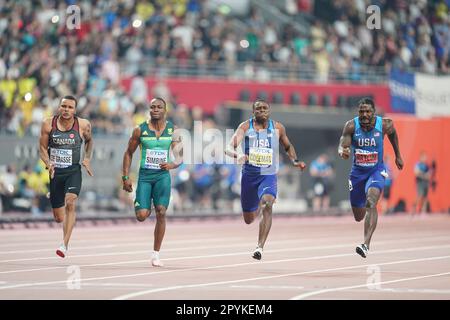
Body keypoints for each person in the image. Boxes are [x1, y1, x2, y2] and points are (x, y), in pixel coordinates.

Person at [226, 99, 306, 260]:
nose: (261, 111)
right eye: (258, 109)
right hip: (249, 176)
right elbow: (228, 147)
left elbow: (288, 146)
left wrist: (295, 161)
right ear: (253, 112)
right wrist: (239, 154)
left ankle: (259, 247)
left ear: (269, 111)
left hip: (268, 175)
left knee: (268, 204)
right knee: (249, 219)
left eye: (265, 108)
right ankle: (256, 205)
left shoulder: (277, 128)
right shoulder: (245, 126)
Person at [338, 98, 403, 258]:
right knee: (358, 216)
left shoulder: (385, 124)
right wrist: (343, 151)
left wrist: (398, 155)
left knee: (371, 201)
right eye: (361, 112)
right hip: (357, 174)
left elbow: (393, 135)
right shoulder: (351, 126)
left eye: (368, 111)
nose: (364, 115)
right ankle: (363, 223)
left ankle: (365, 244)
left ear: (374, 112)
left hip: (376, 171)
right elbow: (343, 144)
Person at [122, 97, 182, 267]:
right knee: (142, 215)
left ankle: (156, 254)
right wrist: (125, 177)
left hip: (162, 176)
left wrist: (172, 164)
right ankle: (141, 203)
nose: (155, 109)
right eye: (152, 107)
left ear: (165, 110)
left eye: (159, 107)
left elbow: (181, 155)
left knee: (161, 212)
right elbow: (128, 153)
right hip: (145, 176)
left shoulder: (173, 130)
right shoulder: (139, 130)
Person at [39, 95, 94, 258]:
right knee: (58, 218)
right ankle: (56, 194)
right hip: (56, 173)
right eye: (64, 106)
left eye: (70, 107)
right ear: (59, 107)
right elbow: (42, 148)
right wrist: (48, 163)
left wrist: (86, 158)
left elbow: (90, 142)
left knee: (70, 202)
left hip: (73, 171)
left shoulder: (83, 124)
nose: (66, 110)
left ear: (75, 110)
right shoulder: (48, 124)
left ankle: (64, 245)